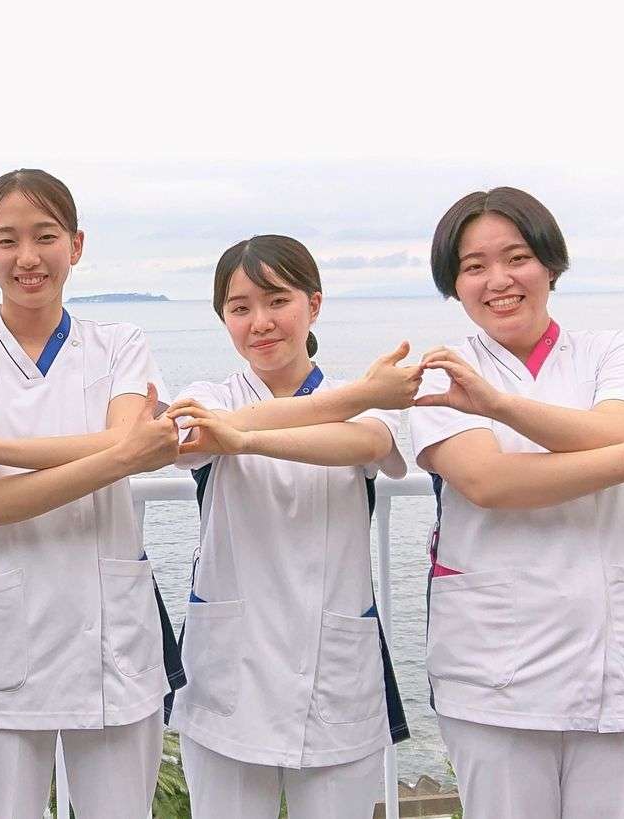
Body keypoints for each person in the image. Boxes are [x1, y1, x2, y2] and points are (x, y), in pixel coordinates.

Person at [407, 186, 624, 817]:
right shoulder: (442, 373)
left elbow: (618, 426)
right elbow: (490, 483)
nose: (498, 281)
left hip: (618, 661)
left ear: (550, 264)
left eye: (517, 258)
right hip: (494, 672)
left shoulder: (611, 350)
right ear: (454, 283)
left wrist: (500, 408)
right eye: (474, 266)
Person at [0, 168, 183, 818]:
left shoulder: (120, 345)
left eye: (46, 236)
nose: (28, 257)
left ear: (76, 245)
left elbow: (123, 447)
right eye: (7, 240)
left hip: (109, 636)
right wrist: (120, 455)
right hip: (2, 635)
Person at [163, 235, 419, 818]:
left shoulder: (364, 404)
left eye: (277, 301)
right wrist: (360, 394)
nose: (260, 322)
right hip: (231, 670)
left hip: (333, 671)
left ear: (314, 305)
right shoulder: (208, 397)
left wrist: (243, 438)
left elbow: (366, 443)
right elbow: (191, 438)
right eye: (240, 308)